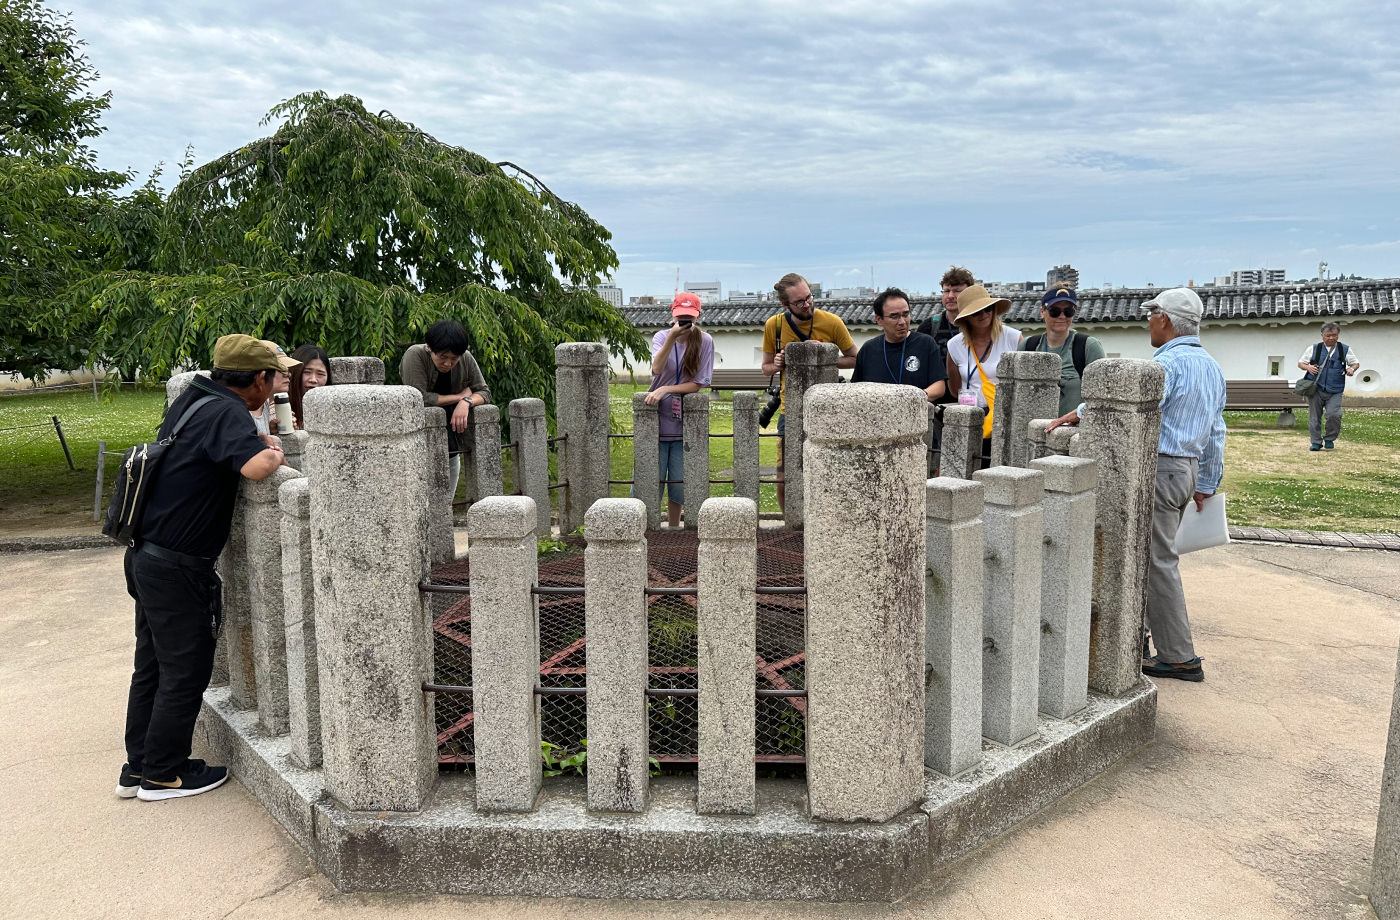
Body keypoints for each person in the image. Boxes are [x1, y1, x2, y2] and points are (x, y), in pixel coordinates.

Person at [117, 335, 290, 801]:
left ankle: (139, 766)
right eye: (276, 377)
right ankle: (164, 775)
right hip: (178, 567)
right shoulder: (229, 411)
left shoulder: (196, 398)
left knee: (152, 664)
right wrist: (273, 450)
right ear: (258, 378)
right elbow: (256, 467)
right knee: (185, 669)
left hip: (146, 553)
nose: (278, 386)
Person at [1047, 287, 1226, 683]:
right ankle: (1139, 638)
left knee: (1156, 560)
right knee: (1154, 554)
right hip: (1188, 468)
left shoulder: (1167, 365)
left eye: (1151, 315)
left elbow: (1131, 405)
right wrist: (1208, 481)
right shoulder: (1211, 366)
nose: (1148, 322)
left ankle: (1180, 655)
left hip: (1159, 467)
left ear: (1164, 319)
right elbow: (1216, 429)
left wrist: (1076, 413)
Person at [760, 273, 857, 512]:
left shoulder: (832, 322)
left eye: (809, 297)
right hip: (789, 409)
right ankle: (789, 524)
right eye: (799, 302)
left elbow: (855, 357)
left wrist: (824, 355)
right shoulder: (775, 326)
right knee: (785, 476)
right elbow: (766, 368)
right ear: (785, 305)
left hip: (828, 409)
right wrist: (779, 363)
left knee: (828, 472)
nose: (807, 304)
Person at [642, 293, 715, 527]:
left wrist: (667, 389)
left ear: (698, 316)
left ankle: (674, 528)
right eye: (680, 318)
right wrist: (672, 338)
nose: (685, 322)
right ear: (672, 315)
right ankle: (649, 527)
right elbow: (656, 368)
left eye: (689, 318)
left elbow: (699, 382)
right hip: (656, 415)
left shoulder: (705, 341)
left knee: (678, 480)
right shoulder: (661, 336)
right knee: (650, 478)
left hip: (684, 418)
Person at [400, 320, 492, 500]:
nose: (448, 363)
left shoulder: (465, 357)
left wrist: (466, 401)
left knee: (452, 458)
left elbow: (484, 392)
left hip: (451, 425)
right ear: (429, 348)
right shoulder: (415, 355)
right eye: (443, 357)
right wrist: (458, 397)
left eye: (454, 359)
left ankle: (446, 506)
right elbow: (419, 397)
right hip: (419, 425)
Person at [944, 285, 1022, 466]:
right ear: (965, 318)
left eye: (987, 309)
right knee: (968, 467)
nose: (983, 314)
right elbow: (955, 388)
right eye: (975, 312)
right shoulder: (954, 345)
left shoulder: (1012, 337)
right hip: (971, 416)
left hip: (1005, 415)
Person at [1020, 287, 1106, 416]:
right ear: (1042, 312)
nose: (1062, 316)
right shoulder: (1028, 346)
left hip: (1073, 432)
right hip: (1033, 427)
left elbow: (1102, 396)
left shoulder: (1088, 346)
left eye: (1068, 311)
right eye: (1055, 311)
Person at [851, 287, 948, 402]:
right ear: (879, 319)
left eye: (905, 315)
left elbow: (939, 387)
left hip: (916, 412)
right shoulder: (868, 349)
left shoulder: (925, 343)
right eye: (894, 316)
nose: (902, 322)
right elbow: (856, 390)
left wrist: (910, 401)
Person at [1297, 322, 1360, 451]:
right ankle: (1315, 442)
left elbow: (1355, 363)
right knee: (1314, 417)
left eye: (1334, 335)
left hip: (1335, 388)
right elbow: (1301, 363)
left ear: (1338, 335)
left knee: (1334, 415)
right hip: (1316, 388)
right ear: (1322, 336)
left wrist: (1351, 370)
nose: (1331, 338)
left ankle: (1330, 438)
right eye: (1328, 335)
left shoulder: (1344, 349)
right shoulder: (1314, 348)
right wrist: (1308, 367)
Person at [249, 341, 297, 435]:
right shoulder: (237, 409)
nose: (288, 374)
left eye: (287, 369)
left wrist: (271, 428)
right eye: (280, 369)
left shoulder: (265, 403)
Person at [287, 345, 334, 430]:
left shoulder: (334, 408)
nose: (313, 380)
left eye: (320, 374)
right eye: (307, 372)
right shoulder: (279, 406)